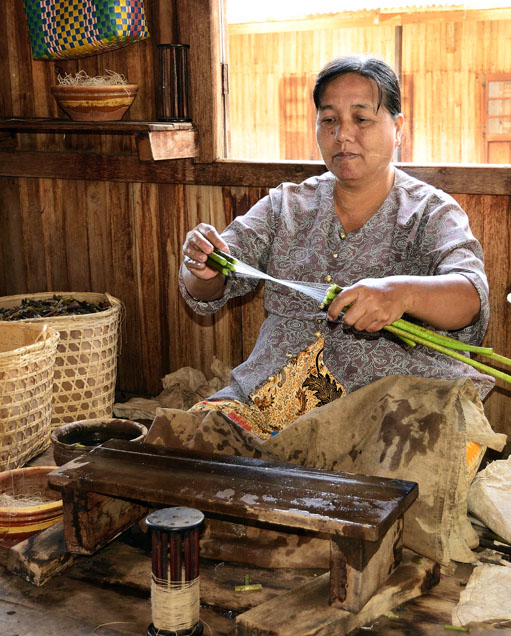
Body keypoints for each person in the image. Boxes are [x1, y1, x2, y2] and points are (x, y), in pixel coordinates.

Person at [178, 54, 493, 439]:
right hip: (267, 399)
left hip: (389, 411)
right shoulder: (286, 206)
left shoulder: (429, 212)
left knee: (401, 479)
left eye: (362, 118)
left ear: (398, 128)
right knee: (187, 442)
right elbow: (209, 287)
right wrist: (202, 269)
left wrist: (401, 294)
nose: (343, 134)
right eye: (329, 120)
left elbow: (470, 295)